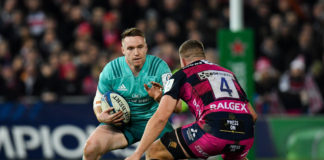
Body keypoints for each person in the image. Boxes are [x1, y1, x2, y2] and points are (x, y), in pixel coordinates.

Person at [126, 40, 258, 160]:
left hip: (212, 130)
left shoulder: (182, 74)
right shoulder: (228, 74)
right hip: (245, 134)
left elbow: (161, 117)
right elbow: (253, 115)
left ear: (182, 61)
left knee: (156, 151)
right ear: (203, 57)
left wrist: (137, 154)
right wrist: (160, 97)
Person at [83, 28, 174, 160]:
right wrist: (100, 115)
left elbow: (174, 105)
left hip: (154, 125)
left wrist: (160, 97)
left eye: (140, 47)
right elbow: (98, 98)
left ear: (146, 48)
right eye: (130, 48)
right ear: (123, 50)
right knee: (90, 148)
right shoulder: (111, 70)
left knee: (163, 156)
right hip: (122, 124)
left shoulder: (160, 67)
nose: (136, 53)